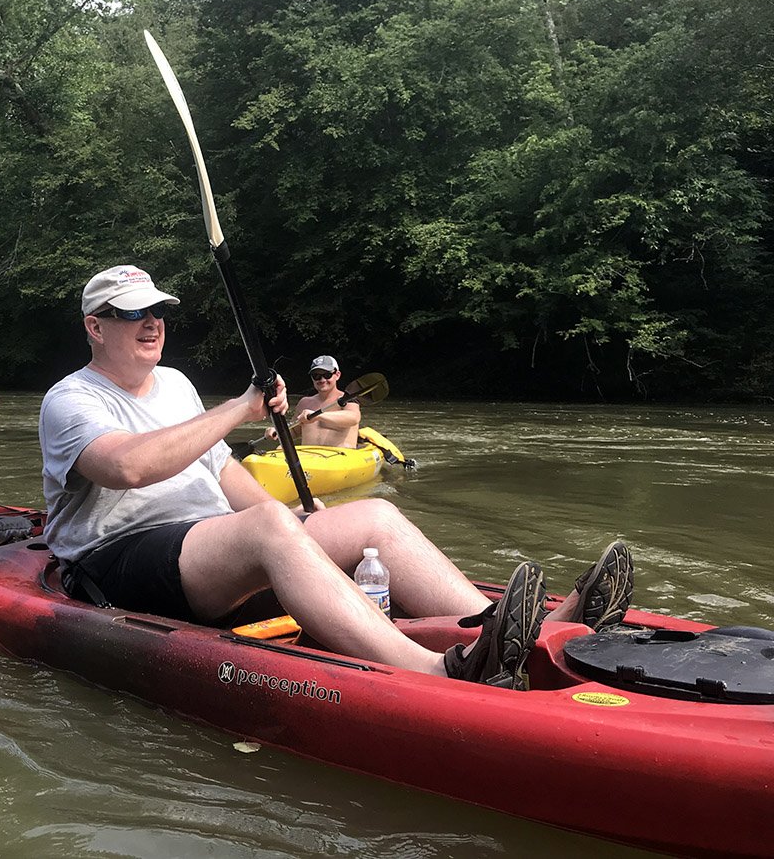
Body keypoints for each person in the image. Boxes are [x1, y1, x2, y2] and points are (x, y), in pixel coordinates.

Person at [39, 264, 635, 689]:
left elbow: (220, 467)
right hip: (112, 560)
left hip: (204, 545)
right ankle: (430, 668)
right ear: (96, 326)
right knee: (269, 524)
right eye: (131, 314)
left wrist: (305, 524)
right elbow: (128, 467)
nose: (151, 324)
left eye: (159, 312)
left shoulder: (174, 383)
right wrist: (241, 412)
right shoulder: (71, 400)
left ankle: (506, 633)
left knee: (372, 515)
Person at [264, 355, 360, 448]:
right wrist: (278, 431)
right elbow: (295, 431)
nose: (322, 380)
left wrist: (319, 416)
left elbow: (354, 418)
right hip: (309, 457)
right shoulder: (305, 402)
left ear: (337, 375)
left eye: (327, 375)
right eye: (316, 376)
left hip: (340, 457)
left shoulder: (348, 399)